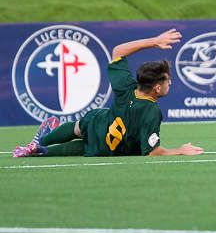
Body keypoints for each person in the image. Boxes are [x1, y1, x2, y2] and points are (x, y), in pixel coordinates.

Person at [12, 29, 204, 158]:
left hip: (98, 124)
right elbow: (153, 152)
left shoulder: (127, 87)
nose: (169, 82)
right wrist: (180, 150)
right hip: (106, 148)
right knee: (79, 149)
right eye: (166, 80)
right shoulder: (151, 111)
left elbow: (118, 50)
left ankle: (40, 141)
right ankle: (40, 149)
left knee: (78, 127)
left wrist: (154, 42)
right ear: (156, 88)